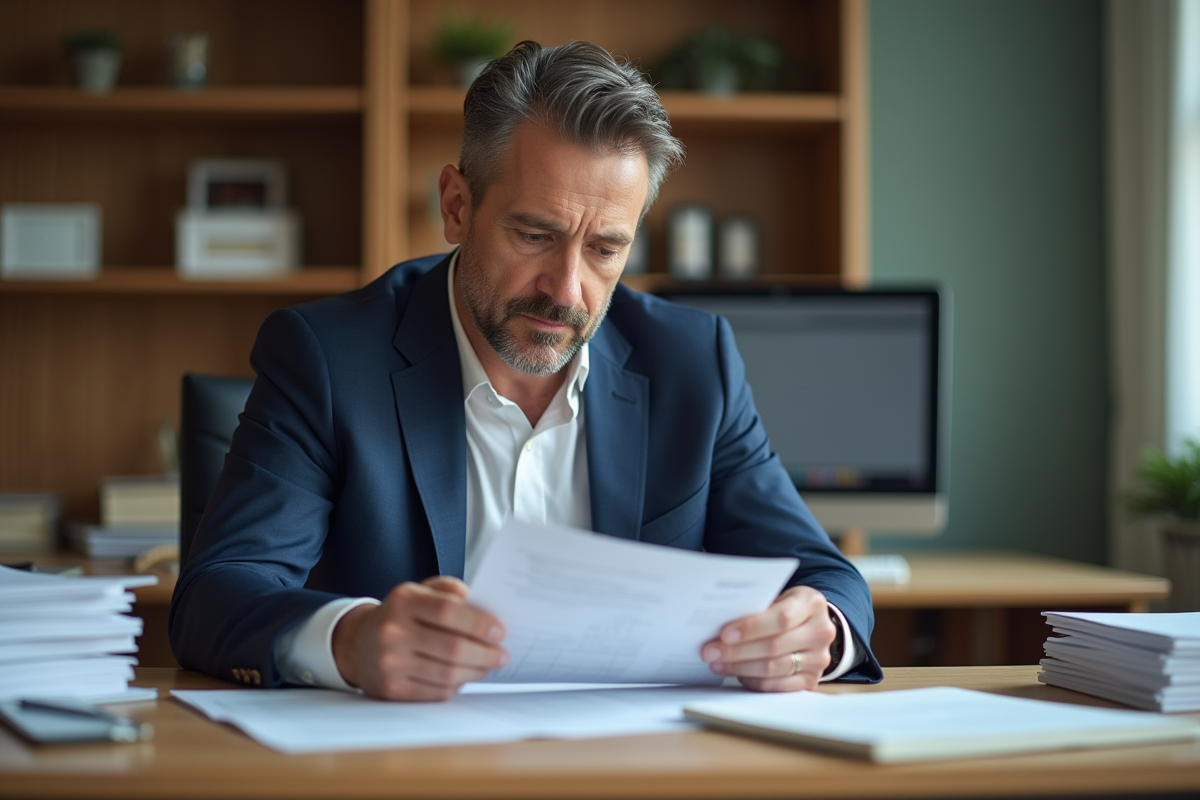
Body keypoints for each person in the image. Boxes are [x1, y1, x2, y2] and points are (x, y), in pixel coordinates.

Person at [169, 40, 882, 701]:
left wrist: (815, 635)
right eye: (535, 235)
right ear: (456, 206)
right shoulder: (327, 357)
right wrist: (350, 639)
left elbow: (826, 581)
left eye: (605, 249)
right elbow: (217, 593)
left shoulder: (692, 364)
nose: (566, 291)